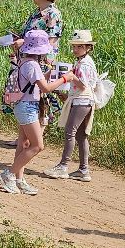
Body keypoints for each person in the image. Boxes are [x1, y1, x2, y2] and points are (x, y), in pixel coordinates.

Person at [0, 29, 75, 195]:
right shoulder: (32, 65)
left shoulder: (26, 62)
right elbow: (45, 88)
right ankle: (9, 174)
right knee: (37, 145)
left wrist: (51, 73)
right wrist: (64, 79)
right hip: (28, 107)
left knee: (24, 144)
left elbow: (38, 80)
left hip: (23, 105)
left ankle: (19, 179)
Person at [43, 29, 98, 181]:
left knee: (70, 132)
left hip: (82, 100)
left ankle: (63, 165)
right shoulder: (82, 61)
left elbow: (83, 86)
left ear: (87, 47)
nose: (75, 49)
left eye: (79, 46)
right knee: (81, 135)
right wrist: (67, 95)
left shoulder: (84, 64)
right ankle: (83, 169)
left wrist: (71, 77)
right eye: (74, 46)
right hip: (82, 100)